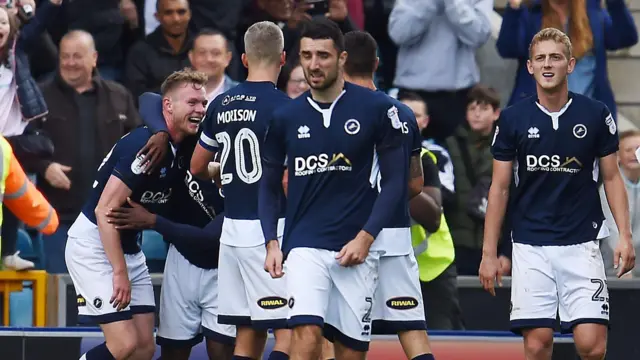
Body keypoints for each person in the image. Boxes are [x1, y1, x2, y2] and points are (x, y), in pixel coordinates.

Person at [479, 28, 635, 360]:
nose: (548, 64)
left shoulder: (595, 114)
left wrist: (625, 235)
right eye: (540, 58)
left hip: (581, 243)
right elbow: (500, 188)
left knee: (592, 346)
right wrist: (489, 252)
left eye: (555, 57)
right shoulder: (511, 119)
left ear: (571, 64)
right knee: (536, 344)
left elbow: (612, 177)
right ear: (530, 67)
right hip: (530, 245)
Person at [259, 18, 407, 360]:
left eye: (323, 55)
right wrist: (271, 242)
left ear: (341, 58)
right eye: (306, 55)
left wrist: (366, 237)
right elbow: (267, 187)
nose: (313, 64)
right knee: (306, 335)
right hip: (304, 246)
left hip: (355, 248)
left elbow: (396, 183)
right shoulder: (285, 117)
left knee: (349, 353)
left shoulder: (377, 110)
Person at [66, 69, 208, 360]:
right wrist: (119, 272)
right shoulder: (143, 148)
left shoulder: (183, 145)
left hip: (130, 248)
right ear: (168, 106)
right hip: (95, 245)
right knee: (124, 345)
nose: (200, 110)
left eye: (203, 103)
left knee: (144, 347)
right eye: (192, 103)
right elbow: (104, 210)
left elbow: (150, 100)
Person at [328, 30, 434, 360]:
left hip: (348, 233)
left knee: (339, 333)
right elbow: (415, 184)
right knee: (412, 328)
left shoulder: (330, 112)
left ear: (340, 61)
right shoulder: (402, 113)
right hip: (396, 234)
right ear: (376, 64)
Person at [190, 21, 291, 360]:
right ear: (283, 59)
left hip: (231, 231)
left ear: (244, 60)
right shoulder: (286, 108)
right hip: (269, 230)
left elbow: (197, 166)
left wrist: (224, 174)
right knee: (288, 331)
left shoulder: (221, 104)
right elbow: (289, 178)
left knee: (249, 332)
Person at [109, 92, 235, 360]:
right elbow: (148, 98)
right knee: (173, 353)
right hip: (181, 262)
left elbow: (208, 239)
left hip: (224, 267)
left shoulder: (244, 178)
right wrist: (160, 132)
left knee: (221, 352)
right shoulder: (194, 142)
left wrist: (153, 221)